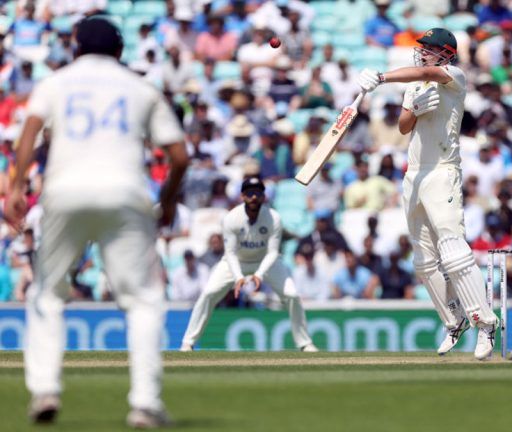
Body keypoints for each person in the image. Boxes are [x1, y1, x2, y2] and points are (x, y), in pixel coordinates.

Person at [7, 17, 189, 428]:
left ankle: (45, 390)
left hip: (63, 192)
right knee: (142, 300)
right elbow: (178, 156)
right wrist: (169, 199)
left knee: (48, 295)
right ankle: (144, 403)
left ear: (75, 47)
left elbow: (30, 130)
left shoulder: (56, 83)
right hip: (126, 194)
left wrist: (17, 187)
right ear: (120, 51)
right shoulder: (140, 86)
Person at [356, 27, 499, 360]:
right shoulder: (416, 84)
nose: (422, 53)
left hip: (443, 173)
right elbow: (404, 127)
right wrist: (415, 109)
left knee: (453, 252)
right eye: (422, 48)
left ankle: (486, 324)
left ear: (446, 53)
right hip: (415, 175)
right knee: (423, 261)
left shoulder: (454, 75)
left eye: (429, 49)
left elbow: (429, 71)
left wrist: (380, 77)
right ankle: (454, 321)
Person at [180, 178, 318, 353]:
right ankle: (188, 343)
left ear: (263, 197)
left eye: (258, 193)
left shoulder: (273, 218)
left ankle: (304, 343)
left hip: (266, 261)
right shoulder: (231, 218)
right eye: (250, 193)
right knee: (209, 293)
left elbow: (273, 252)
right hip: (236, 261)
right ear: (243, 196)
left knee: (292, 295)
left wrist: (259, 274)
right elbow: (229, 253)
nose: (254, 197)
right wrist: (238, 277)